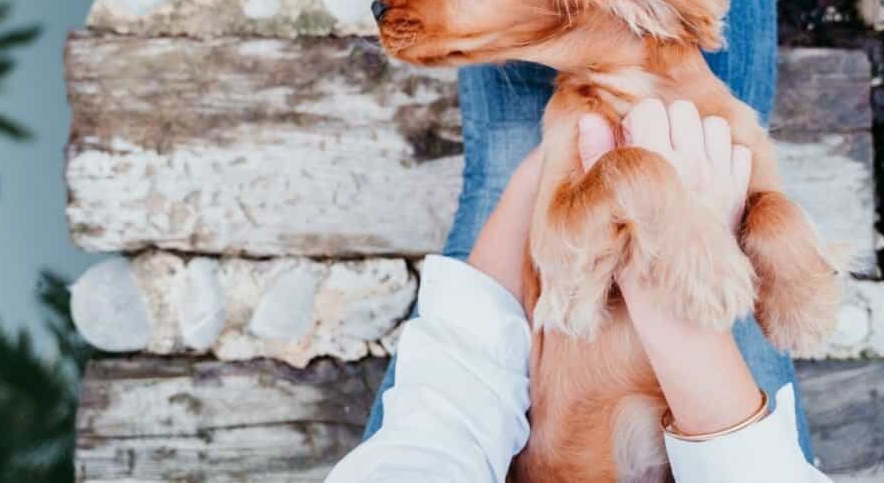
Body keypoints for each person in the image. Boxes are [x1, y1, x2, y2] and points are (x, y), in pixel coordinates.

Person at [336, 0, 824, 478]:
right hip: (721, 419)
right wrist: (712, 222)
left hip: (482, 407)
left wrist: (628, 166)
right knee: (714, 101)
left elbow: (446, 407)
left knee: (511, 165)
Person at [326, 98, 830, 482]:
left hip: (516, 428)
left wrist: (558, 148)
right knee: (719, 113)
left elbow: (437, 432)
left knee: (511, 150)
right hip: (717, 418)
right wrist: (669, 277)